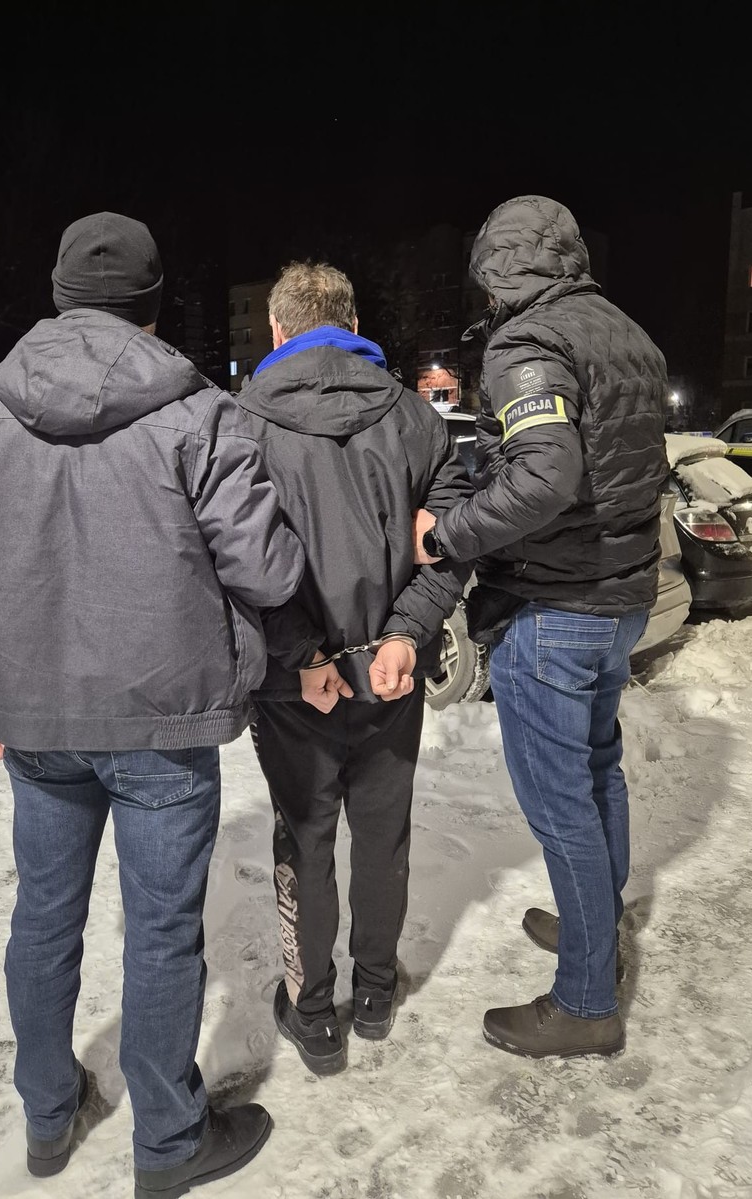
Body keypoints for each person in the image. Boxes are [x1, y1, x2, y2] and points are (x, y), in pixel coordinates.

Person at [0, 212, 305, 1198]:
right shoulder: (201, 416)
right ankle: (168, 1141)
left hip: (35, 718)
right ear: (152, 304)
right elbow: (267, 569)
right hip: (162, 720)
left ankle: (48, 1115)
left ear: (58, 295)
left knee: (43, 914)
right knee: (162, 928)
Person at [413, 195, 669, 1059]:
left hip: (556, 608)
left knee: (561, 806)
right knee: (598, 772)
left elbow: (545, 476)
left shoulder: (527, 344)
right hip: (619, 597)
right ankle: (597, 920)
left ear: (498, 269)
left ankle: (587, 1000)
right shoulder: (625, 333)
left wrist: (446, 533)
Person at [235, 260, 475, 1075]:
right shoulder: (415, 419)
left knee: (305, 839)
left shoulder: (242, 424)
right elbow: (454, 539)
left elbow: (237, 560)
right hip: (385, 675)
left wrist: (301, 653)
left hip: (298, 685)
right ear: (353, 324)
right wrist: (407, 631)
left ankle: (315, 1015)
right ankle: (372, 993)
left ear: (278, 330)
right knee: (382, 834)